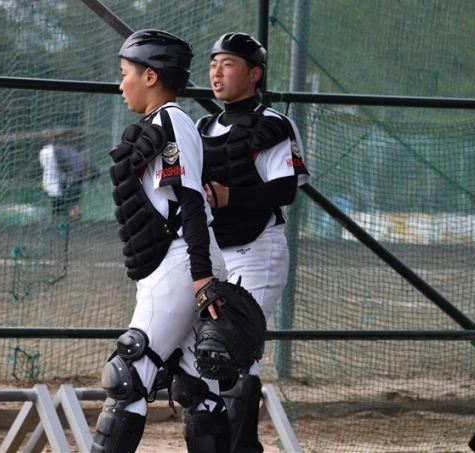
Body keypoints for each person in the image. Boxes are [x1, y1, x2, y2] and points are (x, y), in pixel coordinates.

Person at [90, 29, 231, 453]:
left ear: (150, 76)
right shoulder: (158, 124)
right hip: (178, 263)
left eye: (125, 73)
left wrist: (201, 276)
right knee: (198, 388)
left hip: (183, 263)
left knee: (128, 376)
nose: (121, 84)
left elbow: (191, 200)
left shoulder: (171, 120)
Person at [197, 32, 309, 453]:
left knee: (230, 344)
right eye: (213, 64)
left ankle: (240, 447)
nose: (216, 72)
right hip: (213, 249)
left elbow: (285, 190)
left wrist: (231, 196)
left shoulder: (272, 124)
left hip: (257, 247)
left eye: (228, 64)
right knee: (206, 350)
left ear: (254, 74)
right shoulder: (201, 127)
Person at [39, 141, 98, 221]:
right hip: (50, 154)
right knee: (54, 188)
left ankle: (58, 215)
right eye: (88, 177)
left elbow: (73, 186)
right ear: (89, 171)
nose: (86, 180)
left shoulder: (81, 166)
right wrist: (72, 207)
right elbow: (72, 186)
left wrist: (74, 204)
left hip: (53, 156)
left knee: (57, 189)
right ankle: (57, 216)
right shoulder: (79, 166)